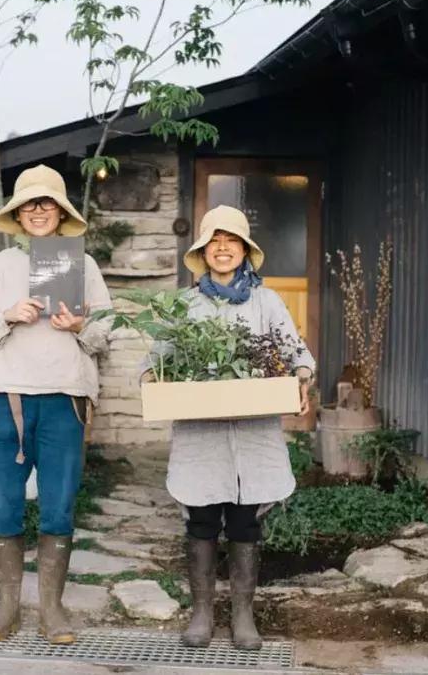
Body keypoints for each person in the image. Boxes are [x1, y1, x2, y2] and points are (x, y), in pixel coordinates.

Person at [148, 205, 315, 650]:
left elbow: (296, 352)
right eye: (214, 242)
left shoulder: (268, 301)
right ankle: (202, 612)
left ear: (244, 250)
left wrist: (301, 378)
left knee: (245, 522)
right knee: (201, 518)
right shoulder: (184, 305)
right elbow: (157, 358)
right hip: (199, 434)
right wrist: (153, 379)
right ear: (202, 252)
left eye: (232, 241)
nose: (223, 249)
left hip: (253, 431)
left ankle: (243, 615)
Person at [0, 164, 111, 645]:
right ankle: (7, 607)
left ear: (61, 211)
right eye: (30, 203)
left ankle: (51, 609)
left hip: (65, 399)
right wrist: (8, 316)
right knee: (4, 507)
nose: (39, 211)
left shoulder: (82, 266)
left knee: (58, 508)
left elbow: (105, 335)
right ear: (18, 214)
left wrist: (77, 327)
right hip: (6, 400)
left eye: (48, 203)